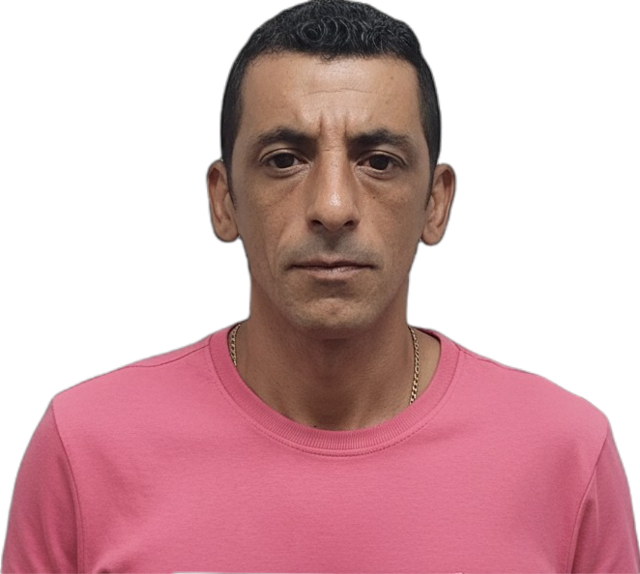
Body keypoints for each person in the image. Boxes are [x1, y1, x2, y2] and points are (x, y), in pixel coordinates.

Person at [2, 0, 637, 572]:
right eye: (284, 160)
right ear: (222, 201)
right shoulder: (83, 448)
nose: (333, 207)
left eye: (379, 162)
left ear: (436, 204)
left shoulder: (566, 452)